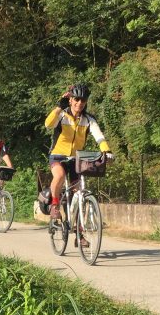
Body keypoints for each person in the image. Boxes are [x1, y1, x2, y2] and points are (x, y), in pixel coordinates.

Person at [44, 83, 112, 245]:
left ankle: (80, 235)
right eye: (76, 99)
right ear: (70, 100)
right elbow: (48, 125)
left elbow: (99, 136)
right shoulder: (62, 115)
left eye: (83, 100)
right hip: (58, 156)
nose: (79, 103)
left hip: (77, 158)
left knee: (80, 192)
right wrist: (58, 109)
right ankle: (54, 205)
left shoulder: (89, 119)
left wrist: (106, 151)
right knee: (59, 175)